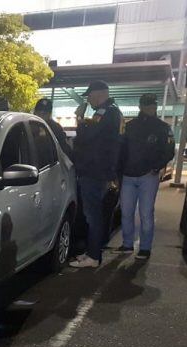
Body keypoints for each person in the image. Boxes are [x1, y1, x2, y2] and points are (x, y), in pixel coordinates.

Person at [69, 80, 123, 269]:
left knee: (94, 216)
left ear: (99, 94)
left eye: (90, 96)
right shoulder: (111, 112)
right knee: (93, 215)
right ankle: (92, 252)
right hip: (98, 170)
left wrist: (80, 119)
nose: (89, 100)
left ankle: (93, 257)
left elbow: (86, 137)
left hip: (95, 170)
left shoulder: (106, 112)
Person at [114, 93, 175, 260]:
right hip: (128, 176)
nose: (151, 108)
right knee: (126, 212)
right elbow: (121, 151)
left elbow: (169, 151)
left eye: (153, 105)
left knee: (146, 213)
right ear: (140, 106)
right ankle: (127, 245)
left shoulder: (163, 127)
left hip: (148, 175)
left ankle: (145, 247)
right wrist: (118, 172)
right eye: (148, 105)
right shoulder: (130, 126)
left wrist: (156, 166)